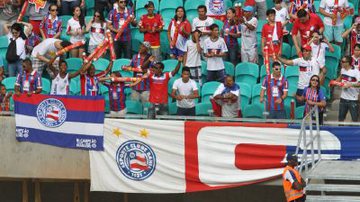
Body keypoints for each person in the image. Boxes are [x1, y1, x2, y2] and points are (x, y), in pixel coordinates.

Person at [336, 56, 360, 122]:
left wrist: (350, 85)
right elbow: (341, 77)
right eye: (341, 61)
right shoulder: (342, 70)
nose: (341, 63)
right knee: (340, 119)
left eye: (343, 62)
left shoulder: (356, 71)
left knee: (355, 119)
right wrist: (334, 82)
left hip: (353, 99)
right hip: (343, 98)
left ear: (348, 63)